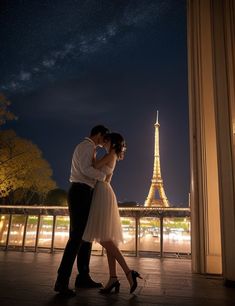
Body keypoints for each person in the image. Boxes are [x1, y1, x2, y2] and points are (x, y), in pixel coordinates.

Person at [54, 125, 112, 297]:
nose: (104, 141)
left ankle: (83, 276)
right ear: (99, 134)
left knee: (85, 236)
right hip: (80, 191)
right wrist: (104, 177)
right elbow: (86, 170)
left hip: (82, 191)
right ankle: (61, 281)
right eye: (104, 137)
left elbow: (87, 169)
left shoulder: (87, 147)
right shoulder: (87, 147)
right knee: (77, 238)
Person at [82, 132, 142, 294]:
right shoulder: (112, 155)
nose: (104, 144)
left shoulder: (110, 155)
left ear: (112, 143)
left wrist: (93, 152)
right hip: (104, 192)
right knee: (107, 238)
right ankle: (113, 278)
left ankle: (128, 272)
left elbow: (93, 166)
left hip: (102, 193)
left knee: (104, 238)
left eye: (106, 141)